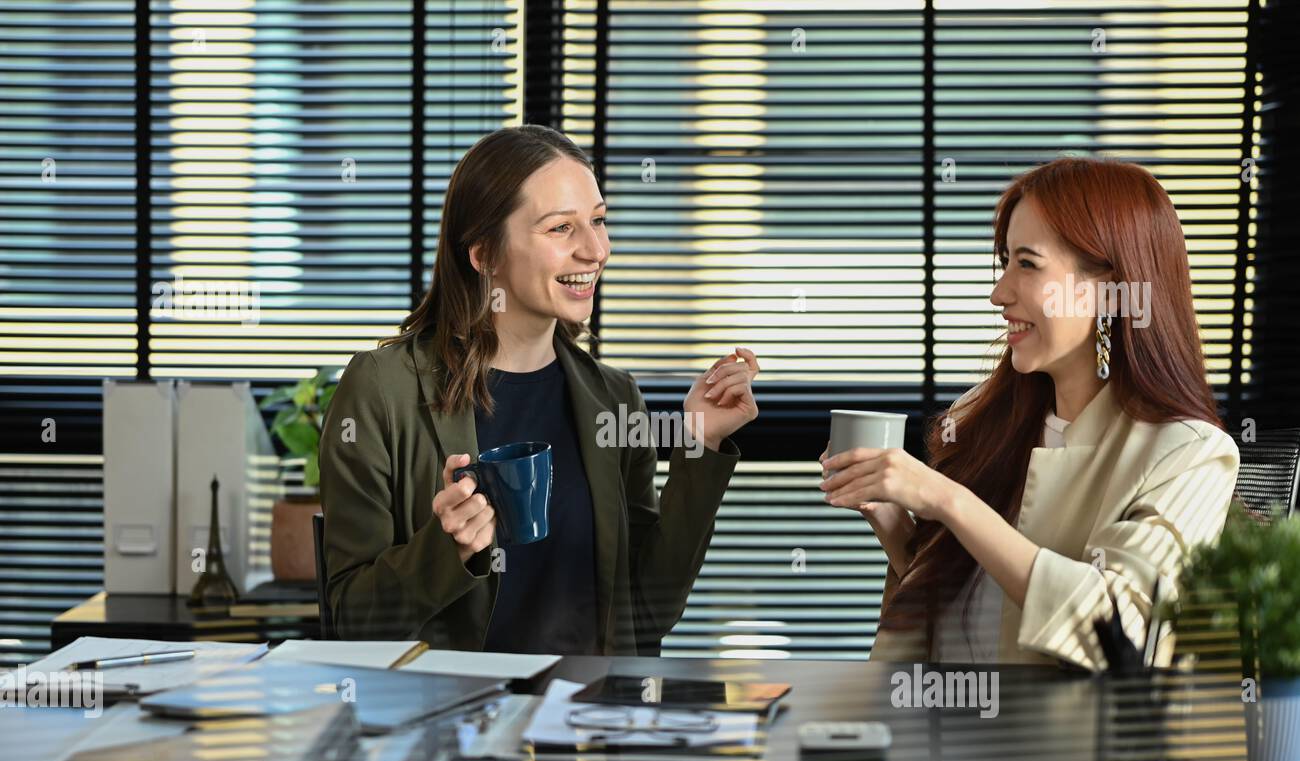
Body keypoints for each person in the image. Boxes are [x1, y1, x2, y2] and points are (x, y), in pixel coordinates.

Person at [319, 125, 760, 654]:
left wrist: (700, 443)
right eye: (560, 229)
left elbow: (646, 615)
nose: (595, 250)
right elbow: (352, 623)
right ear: (483, 254)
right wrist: (446, 550)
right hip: (453, 728)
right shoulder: (383, 391)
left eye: (598, 221)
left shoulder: (614, 399)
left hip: (584, 725)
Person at [820, 157, 1240, 670]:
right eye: (1004, 262)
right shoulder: (980, 418)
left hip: (1063, 750)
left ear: (1109, 288)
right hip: (938, 738)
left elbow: (1120, 634)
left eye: (1027, 263)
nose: (998, 293)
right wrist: (894, 525)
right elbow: (968, 616)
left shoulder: (1188, 455)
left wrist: (949, 500)